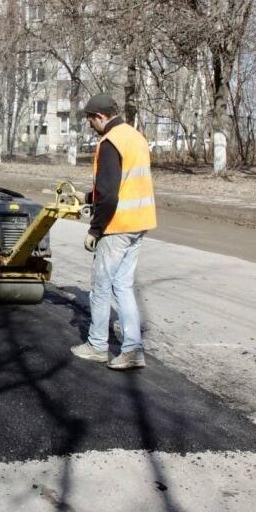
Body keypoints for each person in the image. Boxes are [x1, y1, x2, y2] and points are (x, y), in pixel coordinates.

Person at [70, 94, 157, 370]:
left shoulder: (109, 143)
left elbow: (109, 195)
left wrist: (95, 230)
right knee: (122, 285)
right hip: (139, 222)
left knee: (100, 286)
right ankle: (132, 349)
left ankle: (97, 345)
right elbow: (124, 183)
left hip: (116, 226)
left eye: (90, 120)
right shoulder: (135, 137)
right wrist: (86, 198)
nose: (90, 125)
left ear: (99, 116)